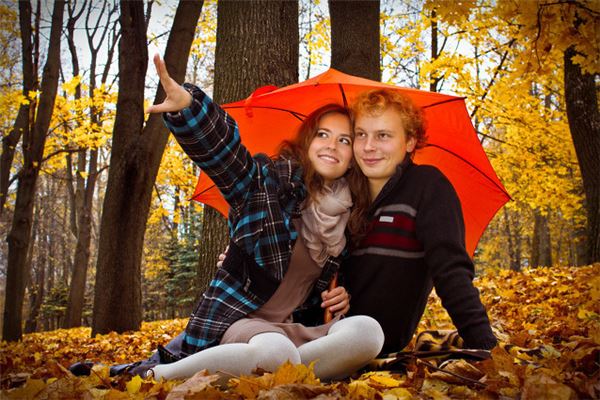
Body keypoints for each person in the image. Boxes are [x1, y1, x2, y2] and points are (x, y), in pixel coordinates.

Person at [139, 55, 384, 381]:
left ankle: (281, 372)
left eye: (345, 140)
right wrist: (188, 108)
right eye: (323, 135)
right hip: (238, 322)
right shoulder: (266, 185)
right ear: (307, 142)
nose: (332, 146)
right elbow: (225, 156)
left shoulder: (348, 220)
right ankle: (163, 374)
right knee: (274, 352)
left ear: (354, 156)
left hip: (290, 329)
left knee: (368, 332)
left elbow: (319, 293)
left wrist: (342, 294)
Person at [342, 89, 497, 355]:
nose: (368, 146)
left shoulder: (427, 187)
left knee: (358, 335)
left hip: (374, 341)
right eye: (361, 134)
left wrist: (485, 346)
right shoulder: (342, 192)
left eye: (383, 136)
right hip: (318, 328)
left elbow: (451, 271)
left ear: (410, 141)